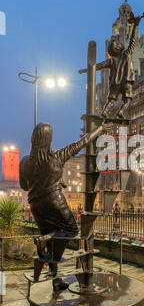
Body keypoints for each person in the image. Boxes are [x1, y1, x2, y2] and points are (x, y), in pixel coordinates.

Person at [19, 122, 104, 291]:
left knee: (52, 240)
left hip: (35, 204)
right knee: (71, 230)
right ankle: (44, 240)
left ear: (33, 139)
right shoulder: (57, 156)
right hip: (55, 201)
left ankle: (56, 280)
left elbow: (24, 187)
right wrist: (101, 129)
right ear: (49, 139)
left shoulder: (24, 161)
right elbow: (82, 142)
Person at [79, 12, 144, 119]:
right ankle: (121, 111)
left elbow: (98, 66)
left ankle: (105, 112)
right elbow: (133, 40)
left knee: (111, 100)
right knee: (128, 99)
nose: (120, 44)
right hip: (127, 82)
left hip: (115, 84)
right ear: (117, 48)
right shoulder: (127, 54)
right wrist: (136, 26)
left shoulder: (111, 61)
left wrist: (86, 70)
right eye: (118, 44)